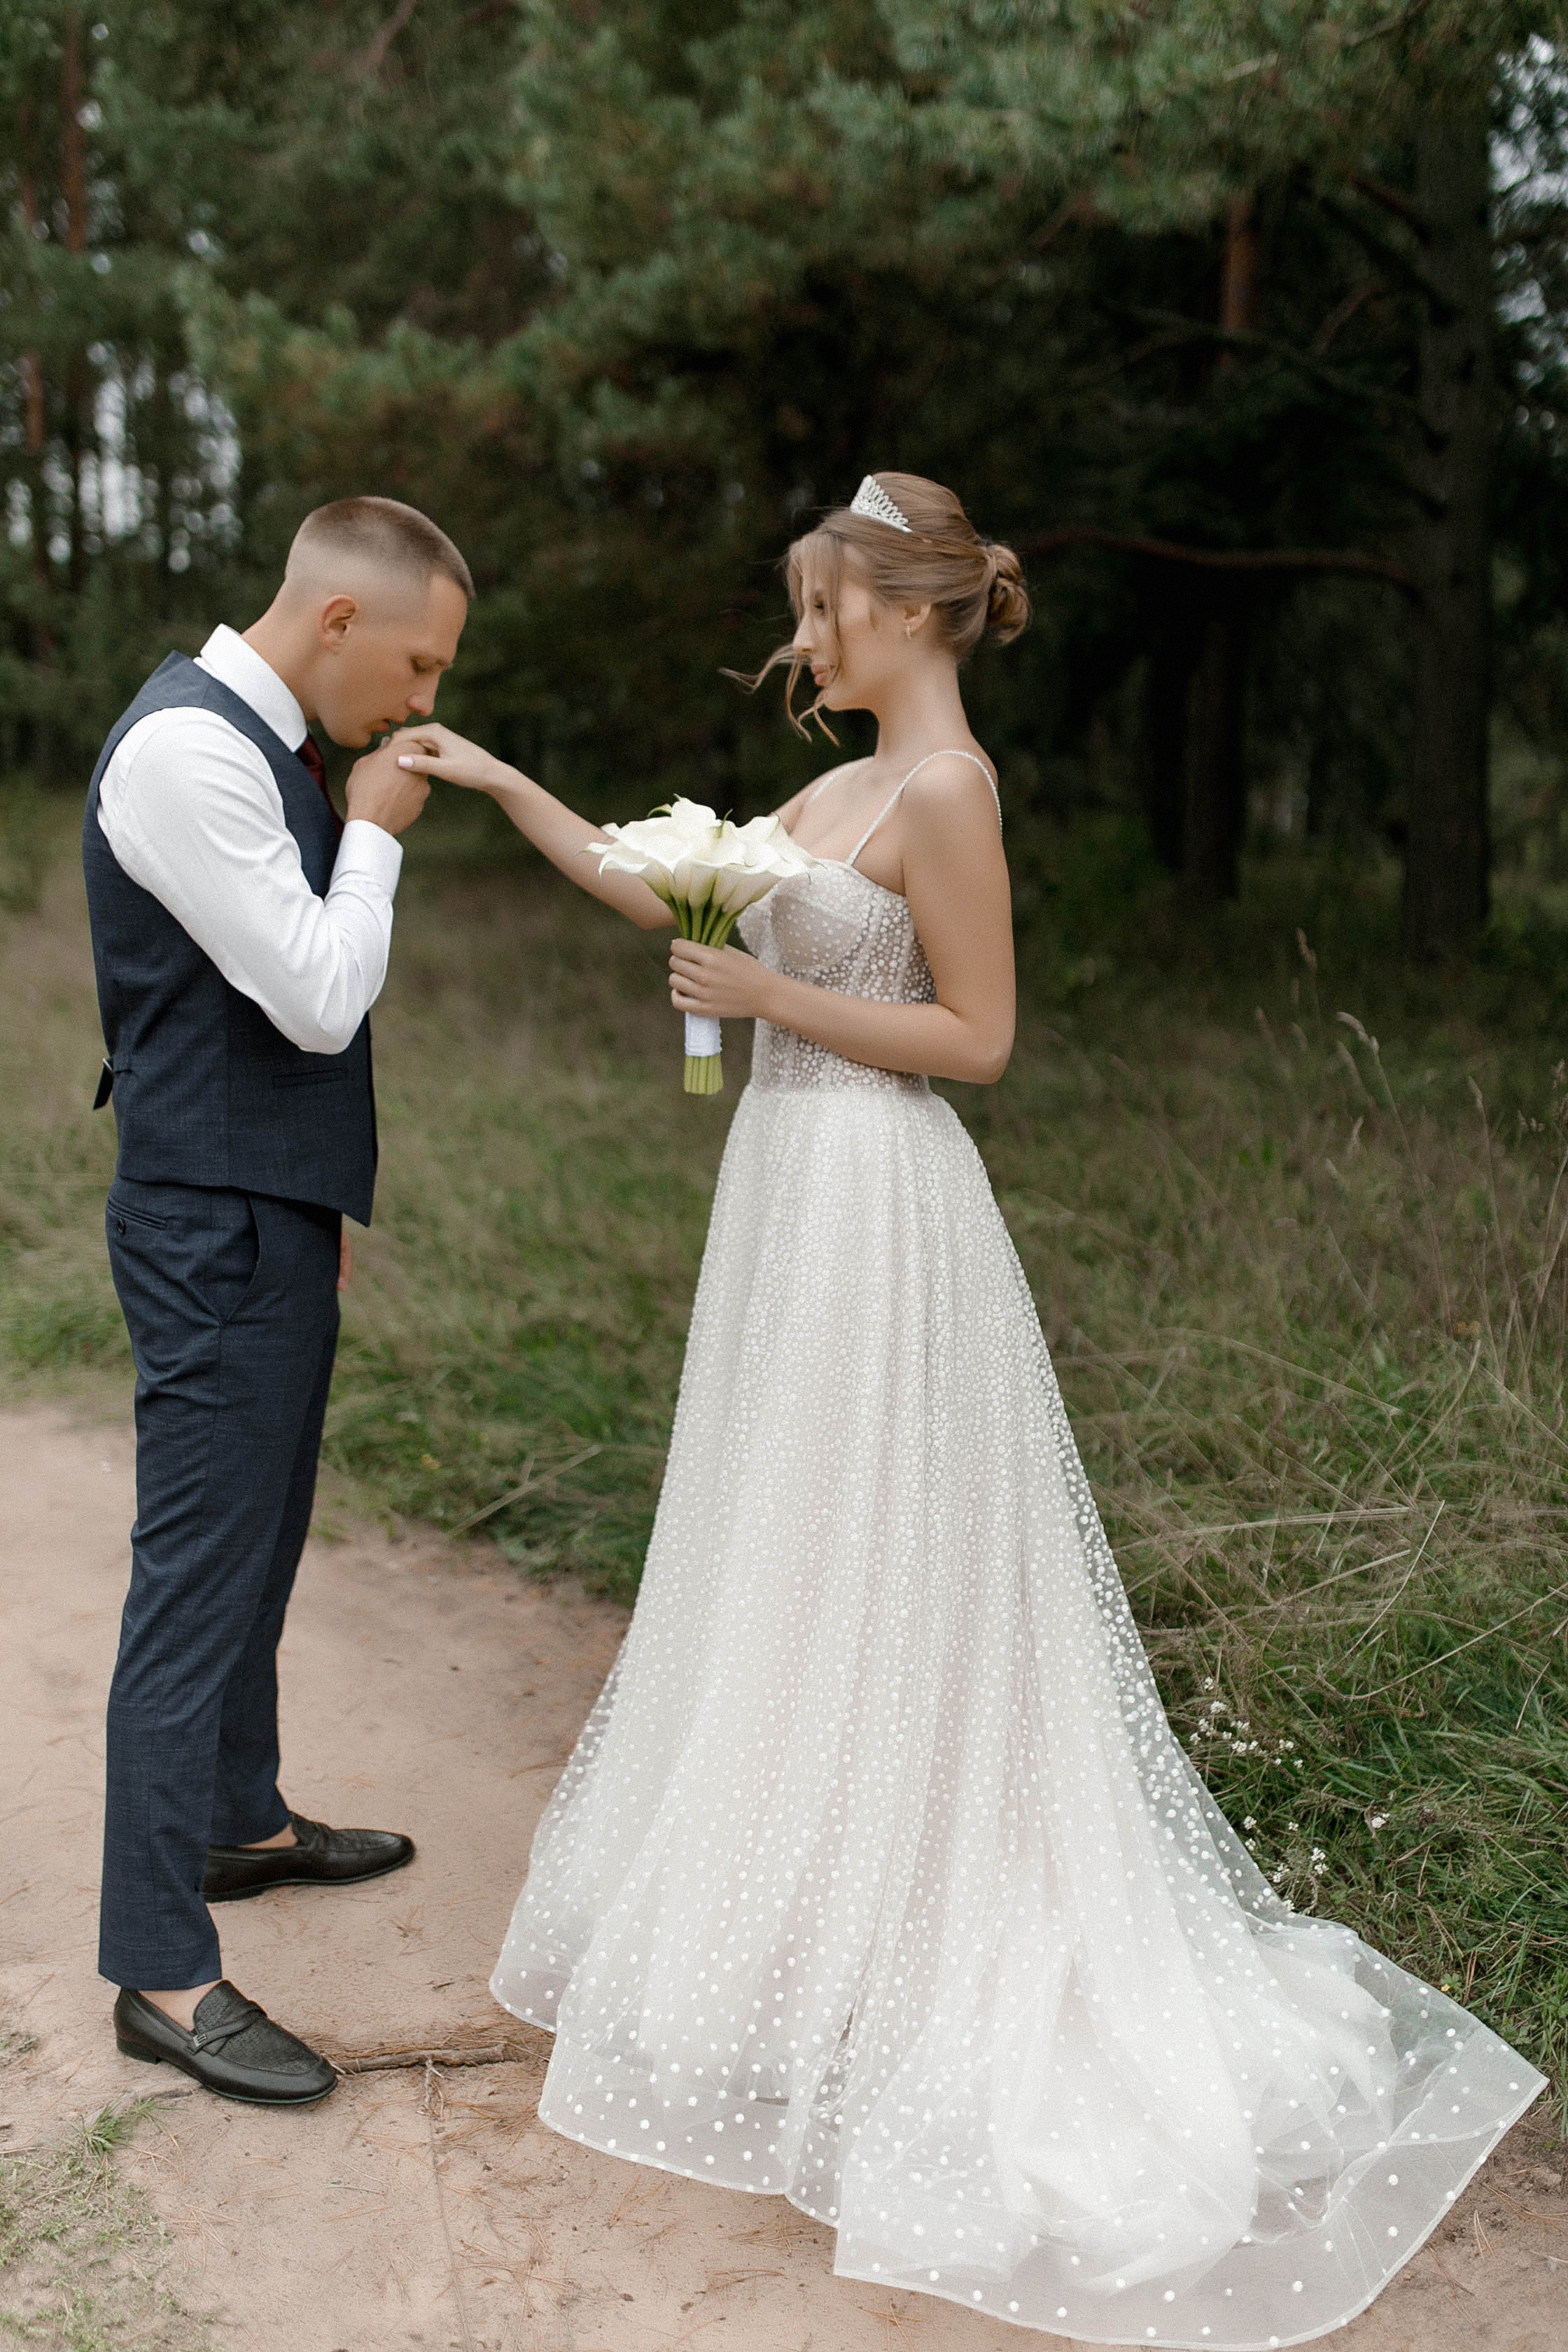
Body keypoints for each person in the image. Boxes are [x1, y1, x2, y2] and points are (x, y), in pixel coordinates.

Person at [391, 473, 1543, 2344]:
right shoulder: (827, 793)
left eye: (827, 609)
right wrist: (503, 783)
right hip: (788, 1209)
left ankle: (911, 1942)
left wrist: (776, 994)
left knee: (887, 1570)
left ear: (912, 611)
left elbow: (980, 1039)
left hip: (881, 1204)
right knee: (791, 1561)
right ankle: (802, 1939)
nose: (806, 639)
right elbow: (651, 876)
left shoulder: (946, 793)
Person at [83, 496, 470, 2106]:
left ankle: (241, 1821)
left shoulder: (262, 739)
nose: (424, 700)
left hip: (266, 1215)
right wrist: (376, 823)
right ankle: (162, 1971)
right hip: (209, 1226)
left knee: (260, 1540)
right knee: (195, 1583)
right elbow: (313, 995)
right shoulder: (188, 752)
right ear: (332, 622)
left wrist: (311, 1205)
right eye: (419, 660)